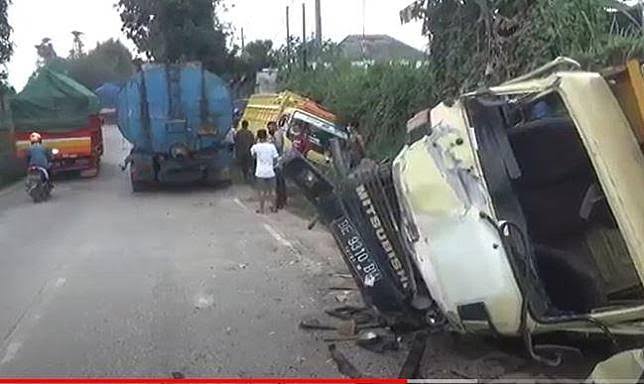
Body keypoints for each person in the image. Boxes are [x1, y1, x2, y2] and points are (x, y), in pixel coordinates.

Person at [250, 129, 279, 214]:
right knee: (273, 191)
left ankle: (261, 209)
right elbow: (275, 159)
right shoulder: (271, 146)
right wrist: (272, 166)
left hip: (260, 172)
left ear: (258, 137)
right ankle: (274, 208)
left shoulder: (255, 147)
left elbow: (254, 157)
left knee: (262, 191)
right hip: (270, 171)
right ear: (266, 136)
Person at [268, 121, 287, 210]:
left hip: (277, 161)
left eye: (270, 127)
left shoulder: (276, 134)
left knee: (277, 183)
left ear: (274, 126)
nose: (269, 129)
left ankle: (279, 202)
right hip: (278, 161)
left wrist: (271, 143)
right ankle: (281, 200)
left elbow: (278, 145)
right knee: (280, 182)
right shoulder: (277, 133)